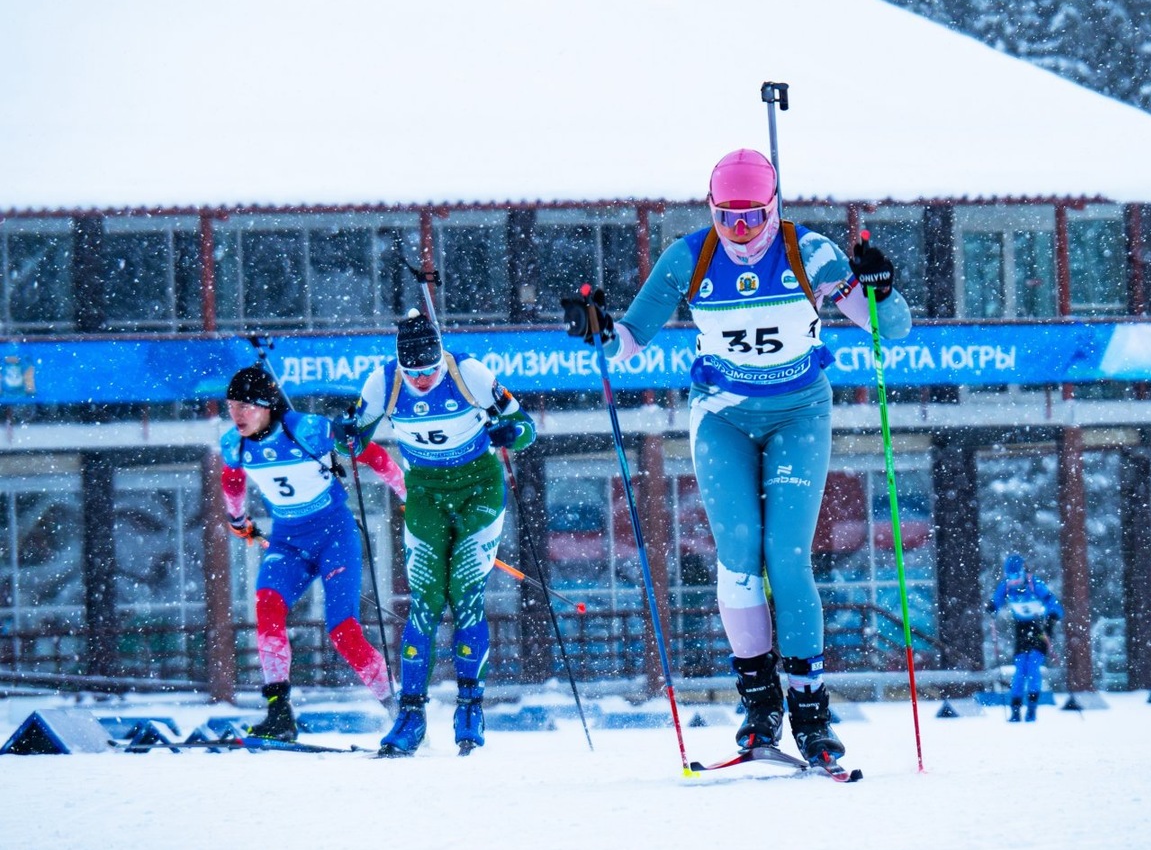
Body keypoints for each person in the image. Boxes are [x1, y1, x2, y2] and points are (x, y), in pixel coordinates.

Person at [563, 148, 912, 765]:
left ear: (775, 208)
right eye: (728, 219)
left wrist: (879, 289)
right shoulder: (688, 257)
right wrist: (598, 326)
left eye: (754, 218)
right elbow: (628, 343)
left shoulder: (813, 253)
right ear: (712, 211)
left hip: (799, 413)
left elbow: (891, 328)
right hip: (721, 416)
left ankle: (810, 713)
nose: (741, 233)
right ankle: (759, 706)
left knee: (788, 556)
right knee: (738, 556)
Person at [341, 309, 536, 756]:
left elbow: (526, 428)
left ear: (440, 358)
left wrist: (510, 432)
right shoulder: (384, 383)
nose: (423, 380)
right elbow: (353, 440)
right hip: (426, 492)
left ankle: (470, 706)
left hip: (479, 489)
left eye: (429, 370)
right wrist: (344, 436)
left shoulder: (468, 371)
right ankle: (411, 716)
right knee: (425, 602)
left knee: (465, 592)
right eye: (414, 373)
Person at [220, 365, 408, 740]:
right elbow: (233, 478)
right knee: (267, 606)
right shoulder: (234, 444)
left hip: (334, 537)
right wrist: (237, 518)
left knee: (343, 632)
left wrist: (409, 497)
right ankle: (279, 712)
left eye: (246, 406)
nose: (237, 415)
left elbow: (371, 455)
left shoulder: (308, 430)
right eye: (231, 406)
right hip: (288, 542)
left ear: (268, 406)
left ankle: (399, 712)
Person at [989, 553, 1063, 722]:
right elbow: (997, 600)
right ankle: (1015, 710)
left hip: (1039, 627)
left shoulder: (1033, 583)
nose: (1014, 581)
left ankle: (1031, 709)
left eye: (1017, 576)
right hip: (1021, 628)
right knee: (1020, 669)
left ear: (1023, 572)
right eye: (1010, 577)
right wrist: (992, 606)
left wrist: (1052, 616)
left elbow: (1053, 602)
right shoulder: (1006, 586)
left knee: (1033, 666)